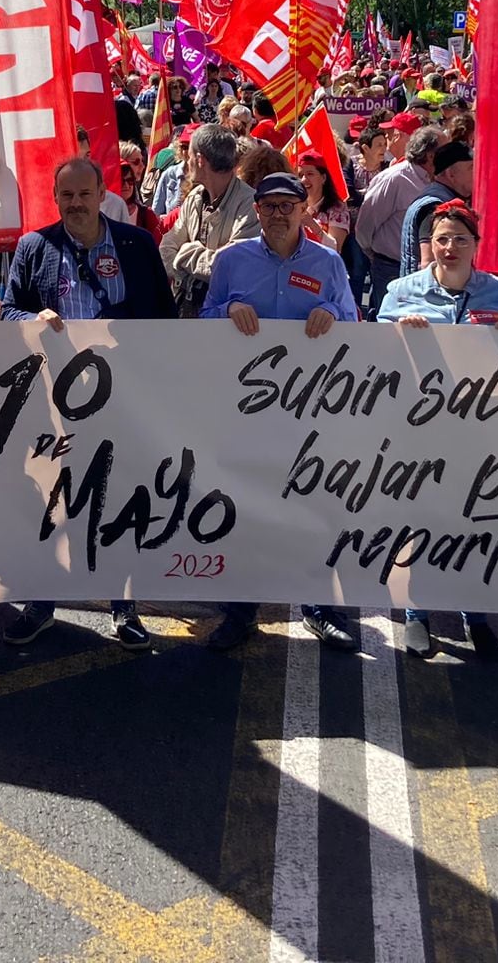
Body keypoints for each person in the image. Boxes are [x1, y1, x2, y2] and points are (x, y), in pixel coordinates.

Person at [0, 157, 178, 651]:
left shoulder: (138, 245)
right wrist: (32, 318)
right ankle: (42, 603)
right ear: (55, 198)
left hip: (124, 396)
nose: (75, 204)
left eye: (84, 194)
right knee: (52, 499)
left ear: (103, 194)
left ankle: (123, 605)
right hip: (55, 398)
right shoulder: (34, 247)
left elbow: (165, 318)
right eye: (66, 196)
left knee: (119, 496)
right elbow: (8, 308)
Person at [199, 170, 361, 652]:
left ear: (303, 209)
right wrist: (226, 311)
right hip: (247, 408)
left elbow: (354, 321)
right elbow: (203, 319)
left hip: (309, 409)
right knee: (246, 508)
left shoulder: (328, 262)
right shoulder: (231, 261)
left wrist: (333, 314)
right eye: (268, 205)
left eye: (287, 205)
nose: (277, 214)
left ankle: (318, 607)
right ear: (257, 210)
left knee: (312, 507)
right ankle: (241, 611)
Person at [378, 200, 498, 659]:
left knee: (473, 522)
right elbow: (373, 350)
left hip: (479, 430)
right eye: (442, 239)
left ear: (476, 245)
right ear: (430, 244)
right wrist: (398, 333)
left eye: (461, 239)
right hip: (419, 427)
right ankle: (417, 613)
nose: (450, 248)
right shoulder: (402, 291)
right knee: (419, 520)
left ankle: (474, 614)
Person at [160, 125, 259, 317]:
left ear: (200, 160)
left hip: (225, 319)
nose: (186, 163)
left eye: (189, 157)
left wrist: (186, 252)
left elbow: (232, 267)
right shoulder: (194, 197)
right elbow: (166, 248)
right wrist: (192, 269)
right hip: (184, 312)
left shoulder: (249, 205)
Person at [354, 125, 441, 317]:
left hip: (429, 272)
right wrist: (375, 255)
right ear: (430, 155)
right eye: (445, 149)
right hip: (391, 269)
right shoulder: (394, 179)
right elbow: (365, 225)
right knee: (389, 327)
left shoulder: (438, 180)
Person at [396, 140, 475, 272]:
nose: (477, 173)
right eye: (471, 168)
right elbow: (429, 263)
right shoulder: (435, 206)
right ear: (451, 174)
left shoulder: (441, 198)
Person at [295, 151, 350, 252]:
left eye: (310, 174)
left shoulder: (337, 207)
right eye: (300, 175)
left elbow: (335, 248)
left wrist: (311, 224)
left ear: (323, 178)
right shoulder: (295, 205)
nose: (303, 180)